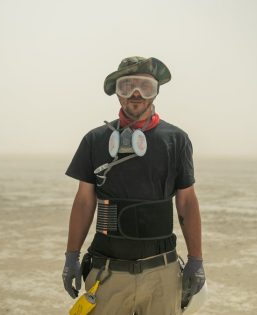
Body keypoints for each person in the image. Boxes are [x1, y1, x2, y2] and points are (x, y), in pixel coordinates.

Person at [62, 56, 205, 315]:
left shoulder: (177, 140)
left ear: (156, 92)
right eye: (127, 87)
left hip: (162, 274)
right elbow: (84, 201)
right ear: (116, 93)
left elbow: (186, 201)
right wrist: (71, 256)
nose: (136, 94)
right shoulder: (94, 140)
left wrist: (196, 260)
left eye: (145, 87)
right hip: (107, 275)